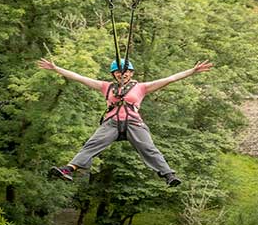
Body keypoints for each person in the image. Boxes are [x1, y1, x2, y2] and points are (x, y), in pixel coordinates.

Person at [38, 58, 213, 187]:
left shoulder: (142, 87)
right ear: (114, 74)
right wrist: (56, 68)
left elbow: (170, 79)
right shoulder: (106, 87)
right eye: (119, 72)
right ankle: (69, 169)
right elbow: (79, 77)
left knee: (148, 148)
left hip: (134, 123)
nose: (123, 74)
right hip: (112, 123)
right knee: (92, 144)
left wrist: (192, 71)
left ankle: (168, 175)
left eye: (126, 72)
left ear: (131, 73)